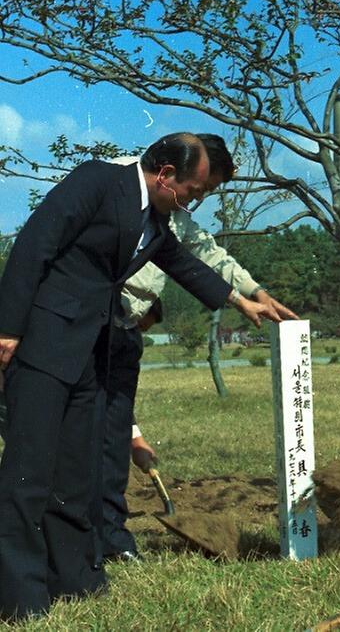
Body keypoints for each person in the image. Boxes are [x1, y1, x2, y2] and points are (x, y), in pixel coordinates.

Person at [0, 131, 284, 621]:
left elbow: (181, 262)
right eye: (193, 191)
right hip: (45, 343)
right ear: (165, 173)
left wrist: (241, 301)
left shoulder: (154, 218)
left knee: (75, 472)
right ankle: (20, 597)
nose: (194, 202)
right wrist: (7, 330)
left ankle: (75, 579)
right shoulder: (97, 181)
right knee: (28, 475)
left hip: (91, 351)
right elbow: (34, 245)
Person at [97, 134, 298, 562]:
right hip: (89, 324)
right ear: (178, 173)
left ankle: (112, 537)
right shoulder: (119, 188)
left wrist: (256, 292)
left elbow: (210, 256)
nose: (200, 199)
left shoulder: (176, 219)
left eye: (208, 192)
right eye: (200, 189)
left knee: (113, 436)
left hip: (125, 330)